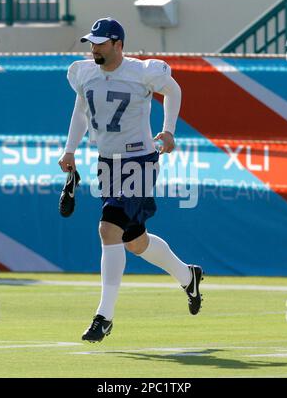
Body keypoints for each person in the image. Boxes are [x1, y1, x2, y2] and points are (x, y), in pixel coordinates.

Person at [58, 17, 204, 343]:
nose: (94, 48)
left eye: (100, 42)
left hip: (139, 159)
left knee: (108, 227)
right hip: (108, 161)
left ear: (117, 44)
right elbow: (81, 112)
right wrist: (70, 150)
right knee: (135, 240)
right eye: (92, 42)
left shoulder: (142, 72)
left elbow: (173, 89)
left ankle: (104, 317)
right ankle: (187, 276)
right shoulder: (84, 73)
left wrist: (168, 130)